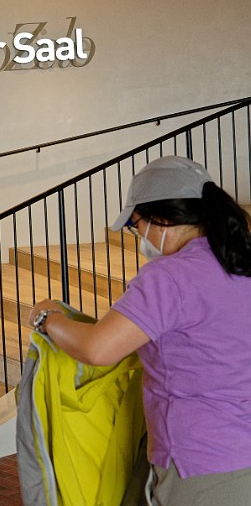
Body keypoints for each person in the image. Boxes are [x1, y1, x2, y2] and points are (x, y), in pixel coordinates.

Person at [27, 156, 251, 505]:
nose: (139, 237)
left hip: (201, 462)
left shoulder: (171, 275)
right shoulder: (239, 264)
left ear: (160, 218)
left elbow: (97, 349)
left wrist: (47, 318)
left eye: (135, 225)